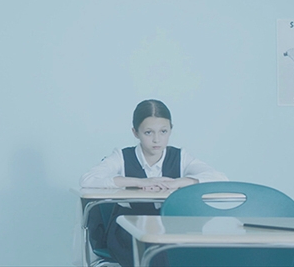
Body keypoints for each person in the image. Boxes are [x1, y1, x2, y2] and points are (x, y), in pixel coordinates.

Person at [79, 99, 227, 267]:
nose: (157, 139)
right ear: (135, 132)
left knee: (182, 249)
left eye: (163, 131)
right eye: (148, 133)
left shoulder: (181, 157)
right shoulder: (122, 156)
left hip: (167, 227)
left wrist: (178, 182)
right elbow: (88, 179)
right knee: (154, 252)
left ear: (171, 129)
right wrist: (139, 182)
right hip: (128, 228)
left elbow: (219, 178)